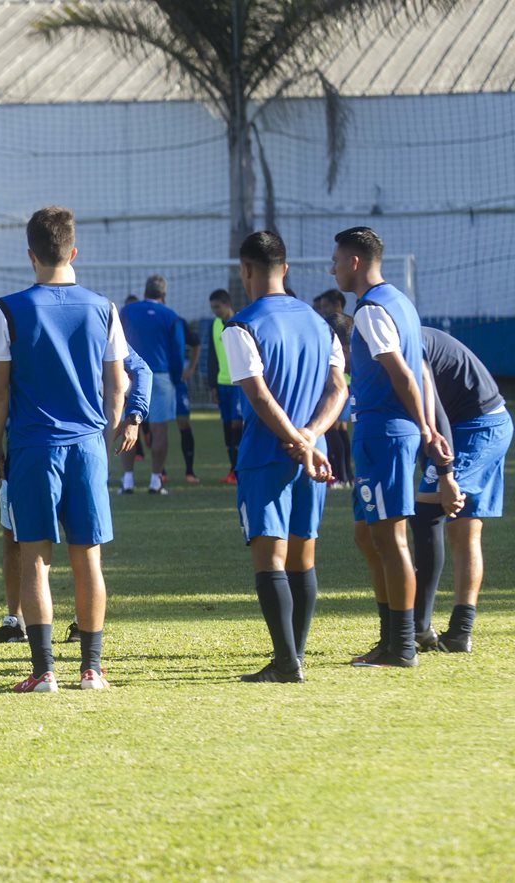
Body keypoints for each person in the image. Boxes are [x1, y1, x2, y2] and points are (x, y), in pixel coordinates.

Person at [0, 205, 128, 692]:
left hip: (32, 448)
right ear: (73, 251)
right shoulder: (104, 307)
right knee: (89, 559)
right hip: (86, 446)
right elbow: (117, 384)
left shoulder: (7, 309)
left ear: (30, 255)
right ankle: (92, 668)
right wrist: (102, 434)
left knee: (34, 558)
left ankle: (44, 671)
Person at [0, 299, 148, 645]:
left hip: (57, 450)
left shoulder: (92, 314)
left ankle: (70, 641)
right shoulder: (22, 316)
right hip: (37, 451)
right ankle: (18, 623)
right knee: (20, 540)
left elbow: (137, 370)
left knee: (72, 548)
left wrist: (134, 415)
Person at [222, 232, 346, 683]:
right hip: (315, 456)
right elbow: (339, 389)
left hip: (266, 454)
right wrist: (311, 438)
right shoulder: (321, 322)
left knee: (271, 560)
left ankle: (286, 662)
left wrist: (293, 438)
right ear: (286, 269)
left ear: (246, 270)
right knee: (303, 558)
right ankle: (293, 657)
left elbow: (257, 394)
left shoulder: (240, 325)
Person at [333, 227, 446, 668]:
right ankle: (390, 637)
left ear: (355, 263)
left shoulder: (371, 310)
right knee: (368, 534)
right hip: (384, 433)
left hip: (386, 433)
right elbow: (417, 369)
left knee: (391, 536)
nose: (333, 268)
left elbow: (402, 372)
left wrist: (424, 426)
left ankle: (401, 645)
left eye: (337, 260)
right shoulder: (400, 301)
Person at [411, 327, 510, 652]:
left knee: (426, 510)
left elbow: (433, 407)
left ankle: (418, 628)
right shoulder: (396, 330)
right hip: (469, 424)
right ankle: (459, 633)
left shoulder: (397, 339)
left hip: (478, 426)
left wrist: (445, 473)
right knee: (463, 531)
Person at [119, 275, 185, 494]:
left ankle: (127, 480)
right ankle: (156, 480)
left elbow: (115, 341)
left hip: (130, 374)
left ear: (145, 291)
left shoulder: (128, 311)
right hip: (160, 375)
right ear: (163, 295)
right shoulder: (171, 316)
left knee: (127, 424)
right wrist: (176, 378)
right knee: (159, 430)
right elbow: (178, 351)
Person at [315, 289, 355, 486]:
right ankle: (347, 475)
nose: (323, 310)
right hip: (343, 385)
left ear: (338, 304)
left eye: (326, 306)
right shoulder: (337, 326)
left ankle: (340, 476)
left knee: (333, 429)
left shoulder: (339, 328)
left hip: (341, 386)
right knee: (339, 430)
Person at [207, 289, 244, 485]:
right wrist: (212, 385)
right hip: (222, 385)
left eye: (217, 307)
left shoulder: (240, 322)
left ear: (227, 304)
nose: (215, 311)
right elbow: (212, 357)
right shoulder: (214, 325)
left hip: (238, 384)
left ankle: (240, 469)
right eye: (212, 308)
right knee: (227, 430)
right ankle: (233, 469)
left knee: (237, 426)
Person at [175, 315, 202, 484]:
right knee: (154, 426)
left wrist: (190, 368)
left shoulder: (177, 321)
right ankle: (159, 473)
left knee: (183, 422)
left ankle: (190, 471)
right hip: (158, 379)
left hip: (178, 382)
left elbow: (196, 343)